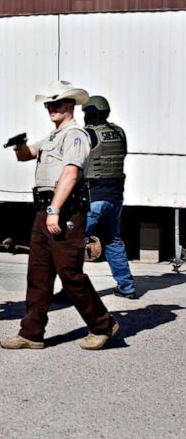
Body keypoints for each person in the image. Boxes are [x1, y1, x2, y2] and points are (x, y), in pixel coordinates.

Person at [0, 80, 118, 351]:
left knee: (69, 272)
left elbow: (71, 173)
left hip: (64, 210)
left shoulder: (75, 134)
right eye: (48, 104)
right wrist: (20, 145)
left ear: (70, 105)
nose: (51, 108)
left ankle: (103, 324)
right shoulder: (53, 136)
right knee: (38, 273)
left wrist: (54, 210)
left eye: (56, 103)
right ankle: (31, 333)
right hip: (45, 209)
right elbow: (27, 155)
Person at [83, 95, 137, 298]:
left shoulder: (88, 134)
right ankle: (127, 287)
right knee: (114, 242)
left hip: (93, 197)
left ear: (91, 113)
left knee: (72, 245)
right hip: (115, 197)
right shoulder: (119, 132)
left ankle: (70, 290)